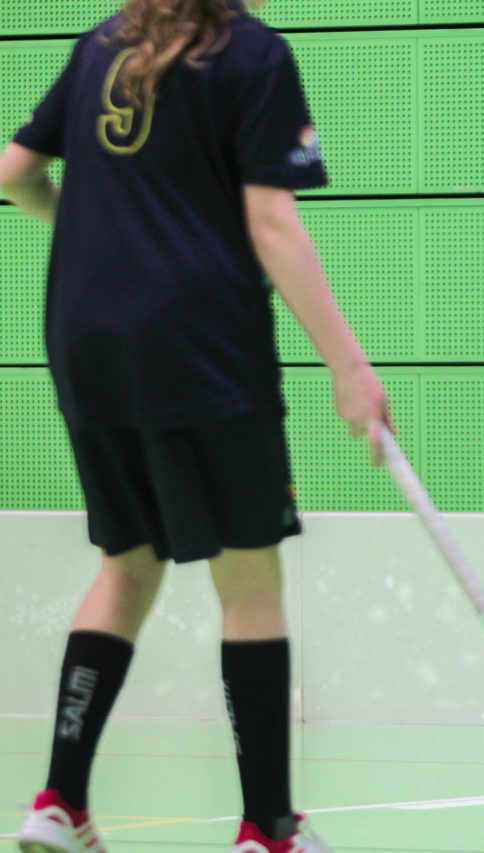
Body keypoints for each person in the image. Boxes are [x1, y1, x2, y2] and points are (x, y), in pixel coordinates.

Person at [0, 1, 389, 850]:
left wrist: (100, 233)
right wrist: (349, 366)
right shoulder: (250, 53)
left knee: (127, 560)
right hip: (198, 342)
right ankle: (269, 827)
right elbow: (271, 219)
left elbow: (13, 173)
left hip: (84, 335)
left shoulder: (103, 43)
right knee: (248, 581)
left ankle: (59, 801)